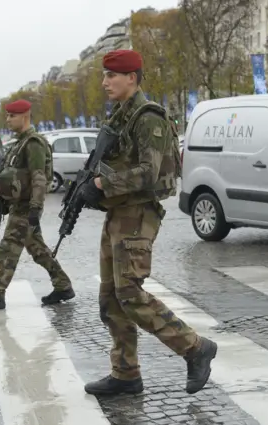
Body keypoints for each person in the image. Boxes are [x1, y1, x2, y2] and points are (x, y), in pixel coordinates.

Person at [80, 50, 217, 396]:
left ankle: (195, 347)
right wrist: (91, 186)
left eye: (112, 75)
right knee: (110, 299)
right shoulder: (121, 117)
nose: (105, 82)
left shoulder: (148, 117)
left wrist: (101, 185)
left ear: (132, 78)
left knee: (129, 293)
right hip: (119, 214)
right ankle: (125, 373)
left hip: (139, 215)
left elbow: (148, 173)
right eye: (105, 75)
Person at [0, 99, 75, 311]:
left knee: (7, 251)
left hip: (27, 207)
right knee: (38, 250)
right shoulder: (20, 143)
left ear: (25, 117)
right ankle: (63, 285)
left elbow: (38, 178)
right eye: (7, 116)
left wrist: (35, 208)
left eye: (12, 116)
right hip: (19, 205)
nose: (7, 120)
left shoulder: (33, 144)